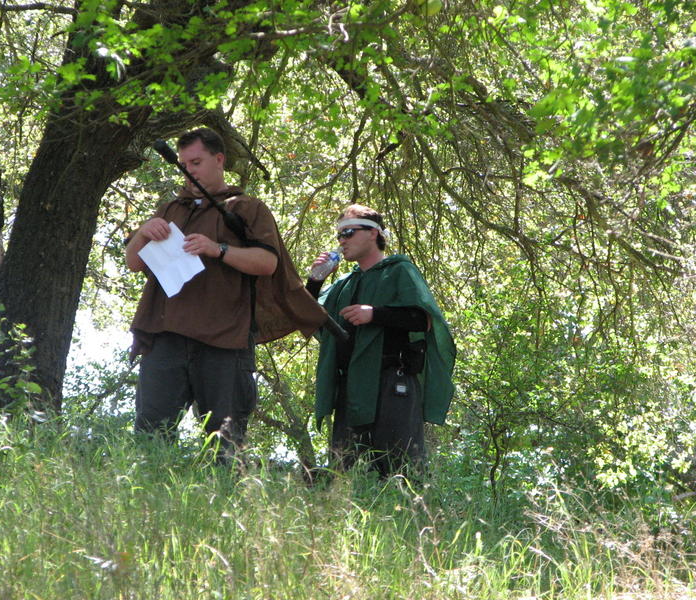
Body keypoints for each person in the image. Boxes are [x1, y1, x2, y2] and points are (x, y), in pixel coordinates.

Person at [126, 127, 327, 457]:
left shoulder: (247, 208)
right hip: (165, 337)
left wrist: (217, 249)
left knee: (224, 445)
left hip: (225, 341)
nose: (189, 171)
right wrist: (142, 233)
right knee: (151, 438)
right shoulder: (170, 209)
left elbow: (268, 263)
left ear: (219, 160)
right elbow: (134, 262)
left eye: (196, 163)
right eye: (183, 164)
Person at [307, 205, 456, 477]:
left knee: (402, 470)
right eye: (339, 235)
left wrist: (374, 314)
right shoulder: (344, 284)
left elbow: (422, 319)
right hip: (351, 388)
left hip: (391, 384)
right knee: (346, 474)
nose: (342, 241)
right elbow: (308, 317)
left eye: (348, 232)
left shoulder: (399, 270)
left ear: (373, 233)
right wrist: (315, 282)